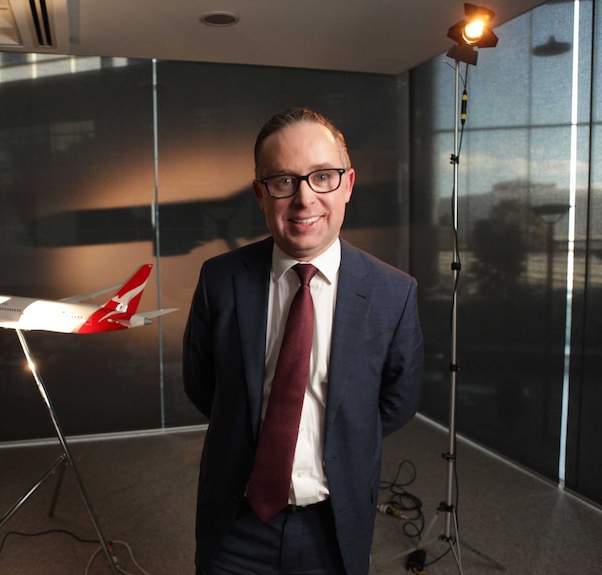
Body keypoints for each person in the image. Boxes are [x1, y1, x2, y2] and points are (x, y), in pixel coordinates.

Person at [182, 107, 424, 575]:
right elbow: (203, 385)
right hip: (234, 521)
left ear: (348, 184)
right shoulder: (220, 279)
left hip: (334, 524)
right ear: (260, 193)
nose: (304, 198)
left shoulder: (394, 292)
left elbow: (398, 402)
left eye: (322, 177)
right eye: (283, 181)